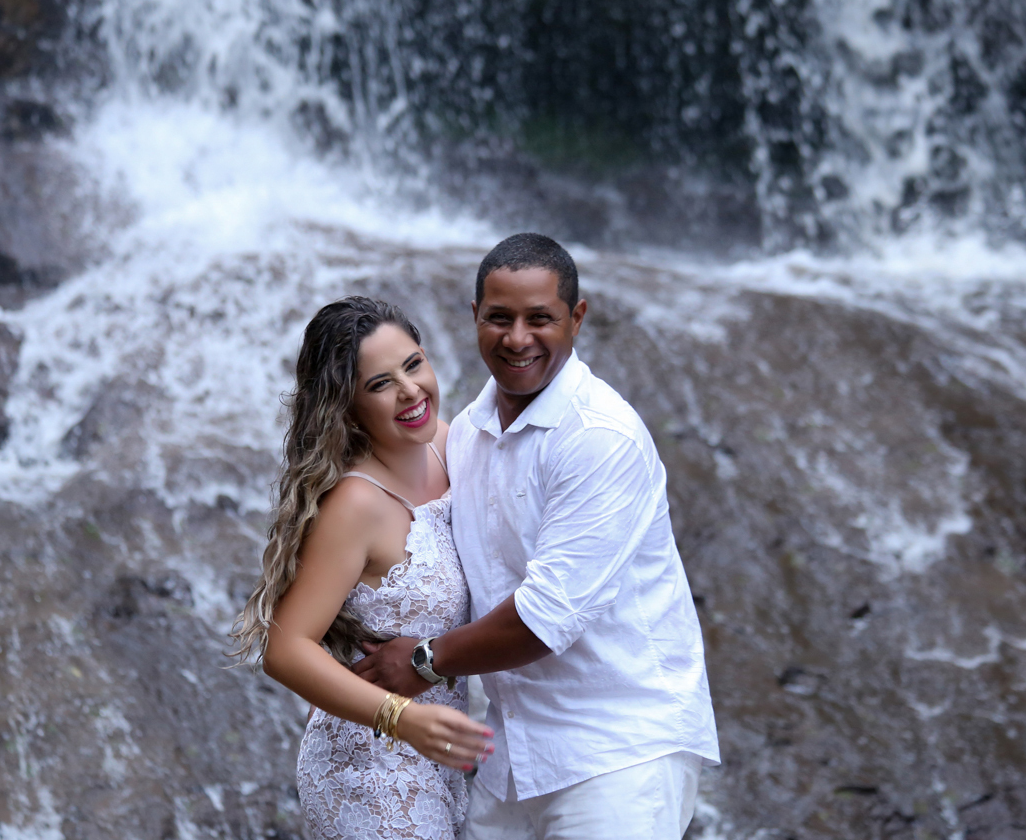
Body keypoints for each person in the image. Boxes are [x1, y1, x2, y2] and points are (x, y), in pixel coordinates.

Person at [353, 233, 720, 840]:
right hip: (510, 757)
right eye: (499, 318)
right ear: (475, 316)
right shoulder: (466, 433)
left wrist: (424, 660)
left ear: (577, 318)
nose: (517, 338)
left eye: (540, 319)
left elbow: (546, 617)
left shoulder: (599, 437)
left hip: (617, 756)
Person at [229, 297, 494, 840]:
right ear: (347, 406)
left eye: (414, 364)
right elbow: (284, 648)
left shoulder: (449, 444)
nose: (410, 391)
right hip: (369, 765)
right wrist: (402, 717)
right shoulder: (355, 504)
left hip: (441, 754)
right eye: (380, 384)